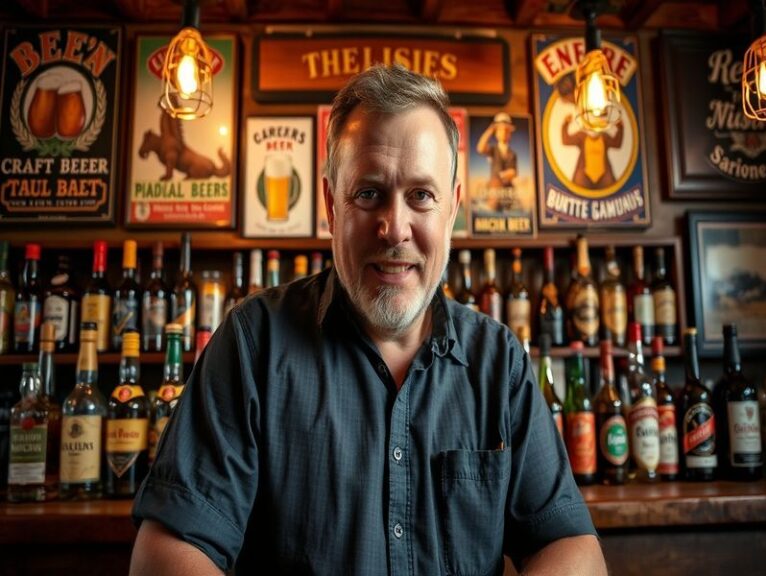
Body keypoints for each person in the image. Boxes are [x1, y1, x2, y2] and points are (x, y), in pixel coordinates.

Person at [130, 64, 606, 576]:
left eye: (421, 196)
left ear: (453, 210)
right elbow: (167, 552)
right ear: (332, 206)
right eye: (369, 193)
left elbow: (570, 546)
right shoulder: (253, 344)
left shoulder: (498, 360)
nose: (394, 229)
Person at [476, 112, 518, 189]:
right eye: (500, 130)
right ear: (496, 133)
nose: (504, 132)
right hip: (494, 188)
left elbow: (513, 172)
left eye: (507, 130)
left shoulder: (512, 153)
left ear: (510, 134)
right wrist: (491, 130)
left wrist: (503, 175)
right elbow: (480, 148)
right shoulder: (493, 149)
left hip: (508, 188)